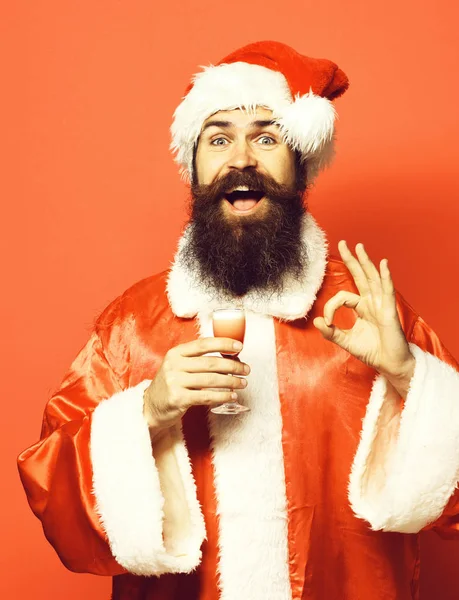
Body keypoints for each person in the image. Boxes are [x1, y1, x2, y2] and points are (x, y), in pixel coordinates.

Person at [18, 40, 459, 600]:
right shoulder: (132, 323)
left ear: (300, 166)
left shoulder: (367, 313)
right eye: (219, 138)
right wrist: (148, 412)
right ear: (195, 168)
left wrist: (408, 376)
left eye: (267, 138)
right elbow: (52, 491)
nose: (242, 159)